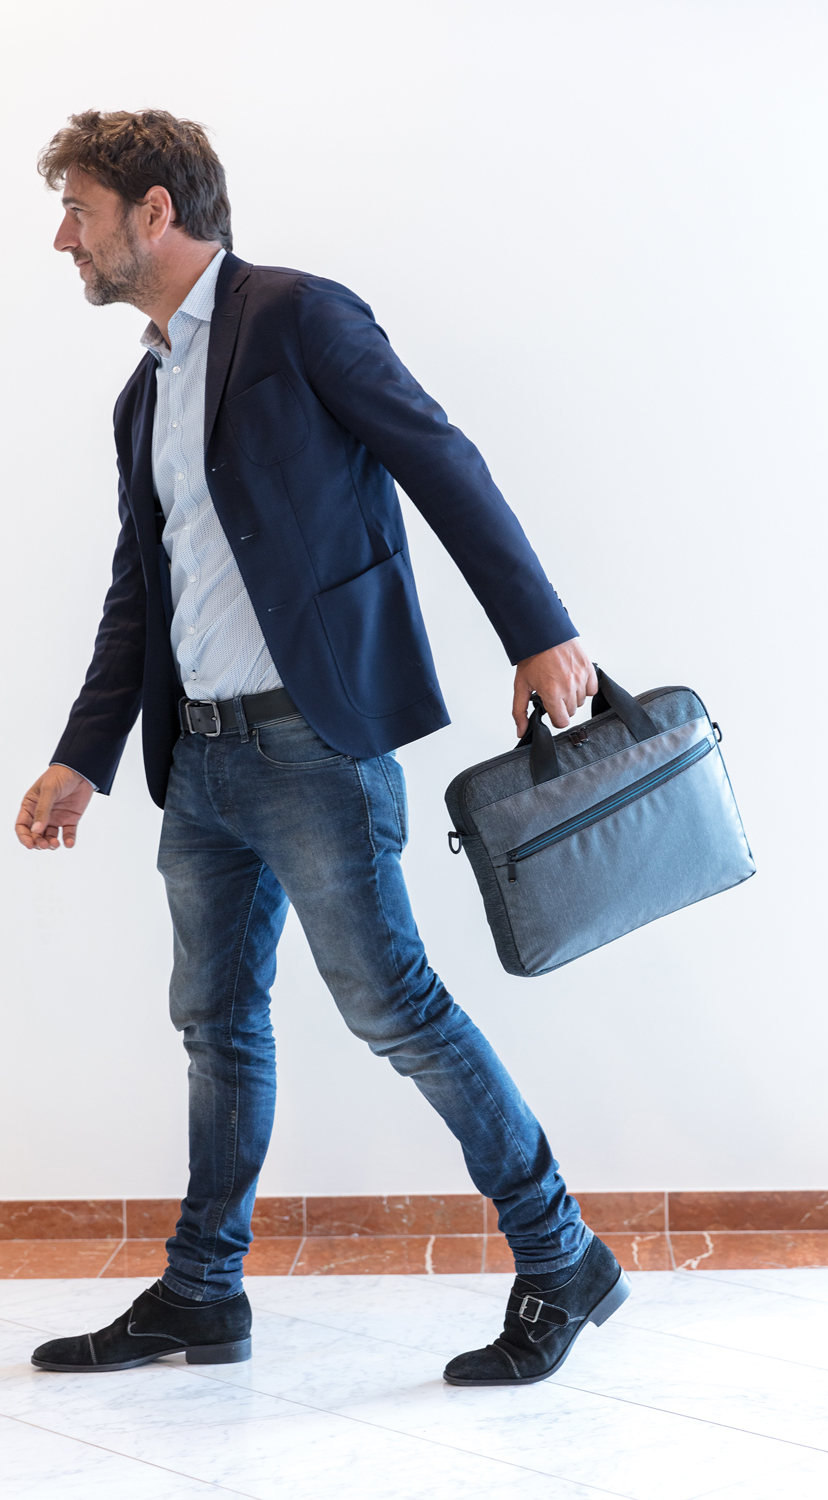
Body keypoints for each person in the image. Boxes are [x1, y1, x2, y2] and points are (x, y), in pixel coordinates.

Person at [17, 110, 630, 1384]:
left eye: (78, 208)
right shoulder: (145, 392)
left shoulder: (298, 318)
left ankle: (562, 1254)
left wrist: (539, 631)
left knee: (393, 1006)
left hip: (315, 746)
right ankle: (203, 1295)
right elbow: (143, 592)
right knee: (215, 1024)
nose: (62, 236)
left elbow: (437, 458)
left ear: (154, 211)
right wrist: (84, 754)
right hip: (201, 764)